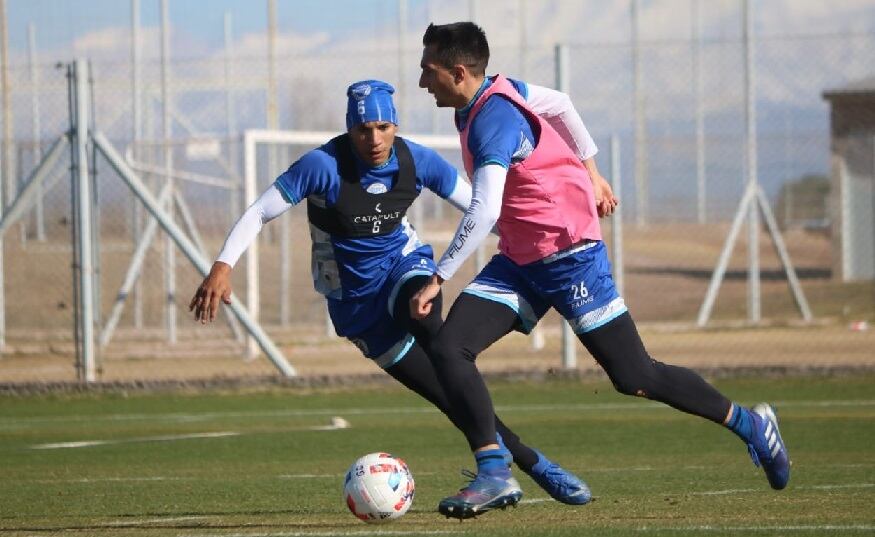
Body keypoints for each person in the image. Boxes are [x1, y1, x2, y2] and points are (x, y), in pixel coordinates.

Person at [411, 22, 791, 519]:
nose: (422, 82)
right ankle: (494, 472)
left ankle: (749, 423)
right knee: (448, 347)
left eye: (429, 71)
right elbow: (564, 103)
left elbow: (484, 209)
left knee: (635, 376)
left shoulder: (493, 121)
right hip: (523, 261)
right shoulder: (501, 93)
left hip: (570, 256)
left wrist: (439, 277)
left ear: (458, 72)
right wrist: (592, 170)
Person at [189, 79, 592, 506]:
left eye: (383, 127)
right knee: (448, 394)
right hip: (356, 306)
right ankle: (532, 462)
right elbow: (258, 212)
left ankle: (494, 470)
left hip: (404, 267)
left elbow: (483, 210)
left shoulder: (416, 160)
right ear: (350, 129)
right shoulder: (322, 166)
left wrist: (550, 236)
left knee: (434, 330)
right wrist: (222, 266)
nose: (375, 138)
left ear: (395, 125)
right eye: (364, 129)